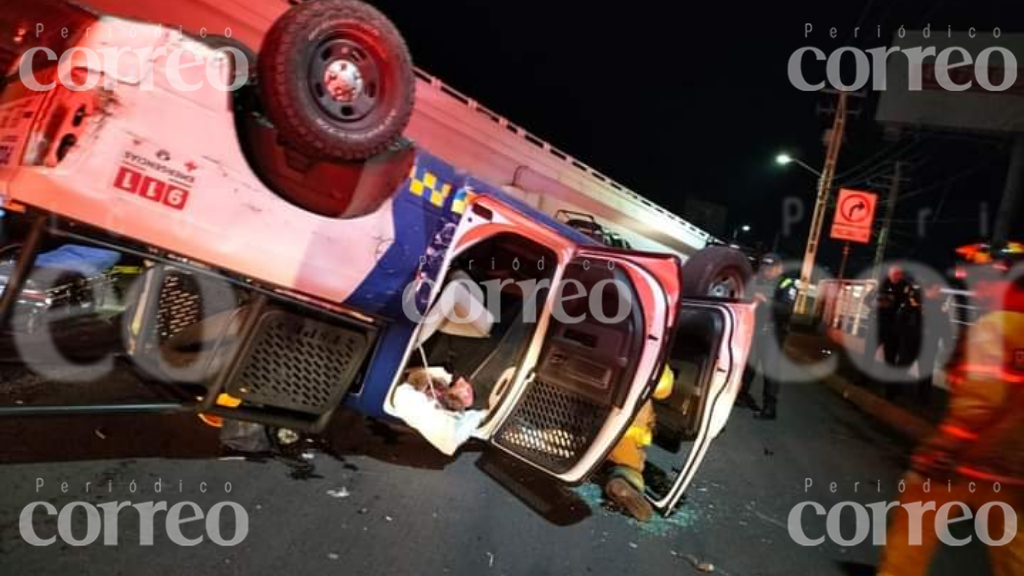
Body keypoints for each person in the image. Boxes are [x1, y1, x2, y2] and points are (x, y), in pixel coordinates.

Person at [877, 268, 1024, 576]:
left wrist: (942, 450)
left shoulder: (998, 327)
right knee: (1013, 553)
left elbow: (979, 402)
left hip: (964, 463)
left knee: (912, 536)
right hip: (1014, 471)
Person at [603, 366, 675, 522]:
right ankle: (624, 481)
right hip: (623, 421)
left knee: (628, 461)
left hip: (612, 408)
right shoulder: (653, 358)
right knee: (626, 463)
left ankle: (626, 480)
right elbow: (663, 388)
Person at [735, 253, 797, 420]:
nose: (766, 271)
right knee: (748, 366)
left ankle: (770, 409)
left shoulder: (787, 284)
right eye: (764, 267)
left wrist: (765, 300)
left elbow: (786, 309)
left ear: (779, 268)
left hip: (774, 334)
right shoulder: (757, 280)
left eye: (770, 268)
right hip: (755, 331)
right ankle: (741, 395)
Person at [866, 265, 920, 398]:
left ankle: (888, 388)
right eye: (895, 274)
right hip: (878, 325)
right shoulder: (881, 285)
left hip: (895, 329)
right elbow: (867, 300)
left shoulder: (907, 288)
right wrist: (877, 304)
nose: (898, 276)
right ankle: (863, 380)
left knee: (890, 359)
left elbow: (914, 304)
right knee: (869, 353)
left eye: (900, 274)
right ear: (889, 274)